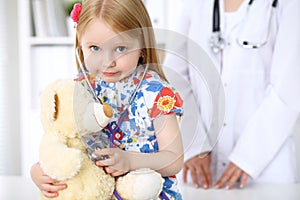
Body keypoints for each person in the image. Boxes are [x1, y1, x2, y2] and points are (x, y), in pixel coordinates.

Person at [30, 0, 184, 199]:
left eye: (120, 48)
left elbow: (174, 159)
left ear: (142, 46)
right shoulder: (80, 88)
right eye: (95, 48)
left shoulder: (158, 94)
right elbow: (61, 137)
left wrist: (130, 161)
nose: (107, 61)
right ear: (80, 45)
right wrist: (40, 170)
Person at [163, 0, 300, 190]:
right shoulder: (195, 5)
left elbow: (289, 88)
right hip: (200, 170)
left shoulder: (289, 5)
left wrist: (248, 156)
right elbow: (174, 76)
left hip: (266, 171)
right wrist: (195, 144)